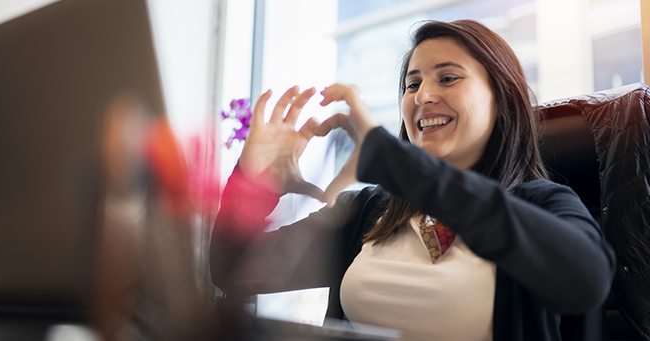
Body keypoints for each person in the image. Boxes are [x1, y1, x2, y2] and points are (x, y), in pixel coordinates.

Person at [210, 19, 615, 341]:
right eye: (412, 83)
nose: (422, 96)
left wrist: (394, 161)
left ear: (502, 98)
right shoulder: (368, 212)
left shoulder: (543, 204)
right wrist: (253, 186)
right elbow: (233, 271)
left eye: (448, 77)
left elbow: (588, 282)